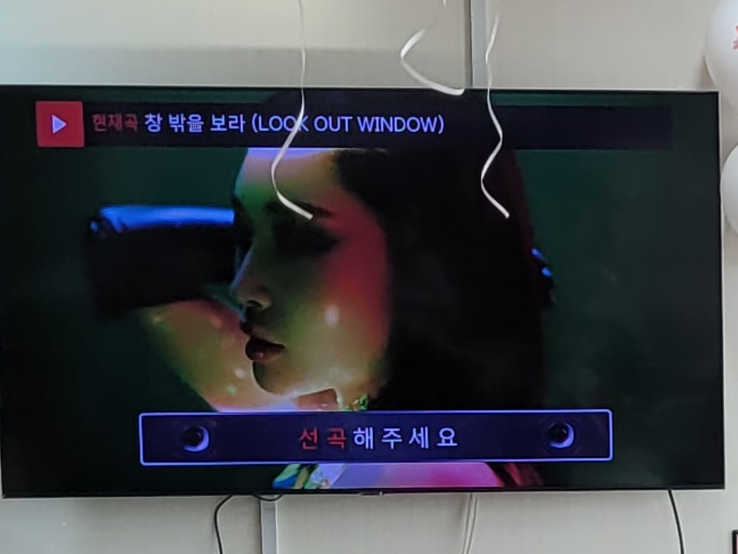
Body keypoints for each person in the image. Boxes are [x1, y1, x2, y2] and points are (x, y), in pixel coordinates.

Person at [132, 138, 558, 488]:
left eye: (301, 238)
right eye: (244, 235)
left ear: (424, 260)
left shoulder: (415, 473)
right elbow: (128, 247)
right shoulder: (385, 435)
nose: (242, 286)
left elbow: (128, 242)